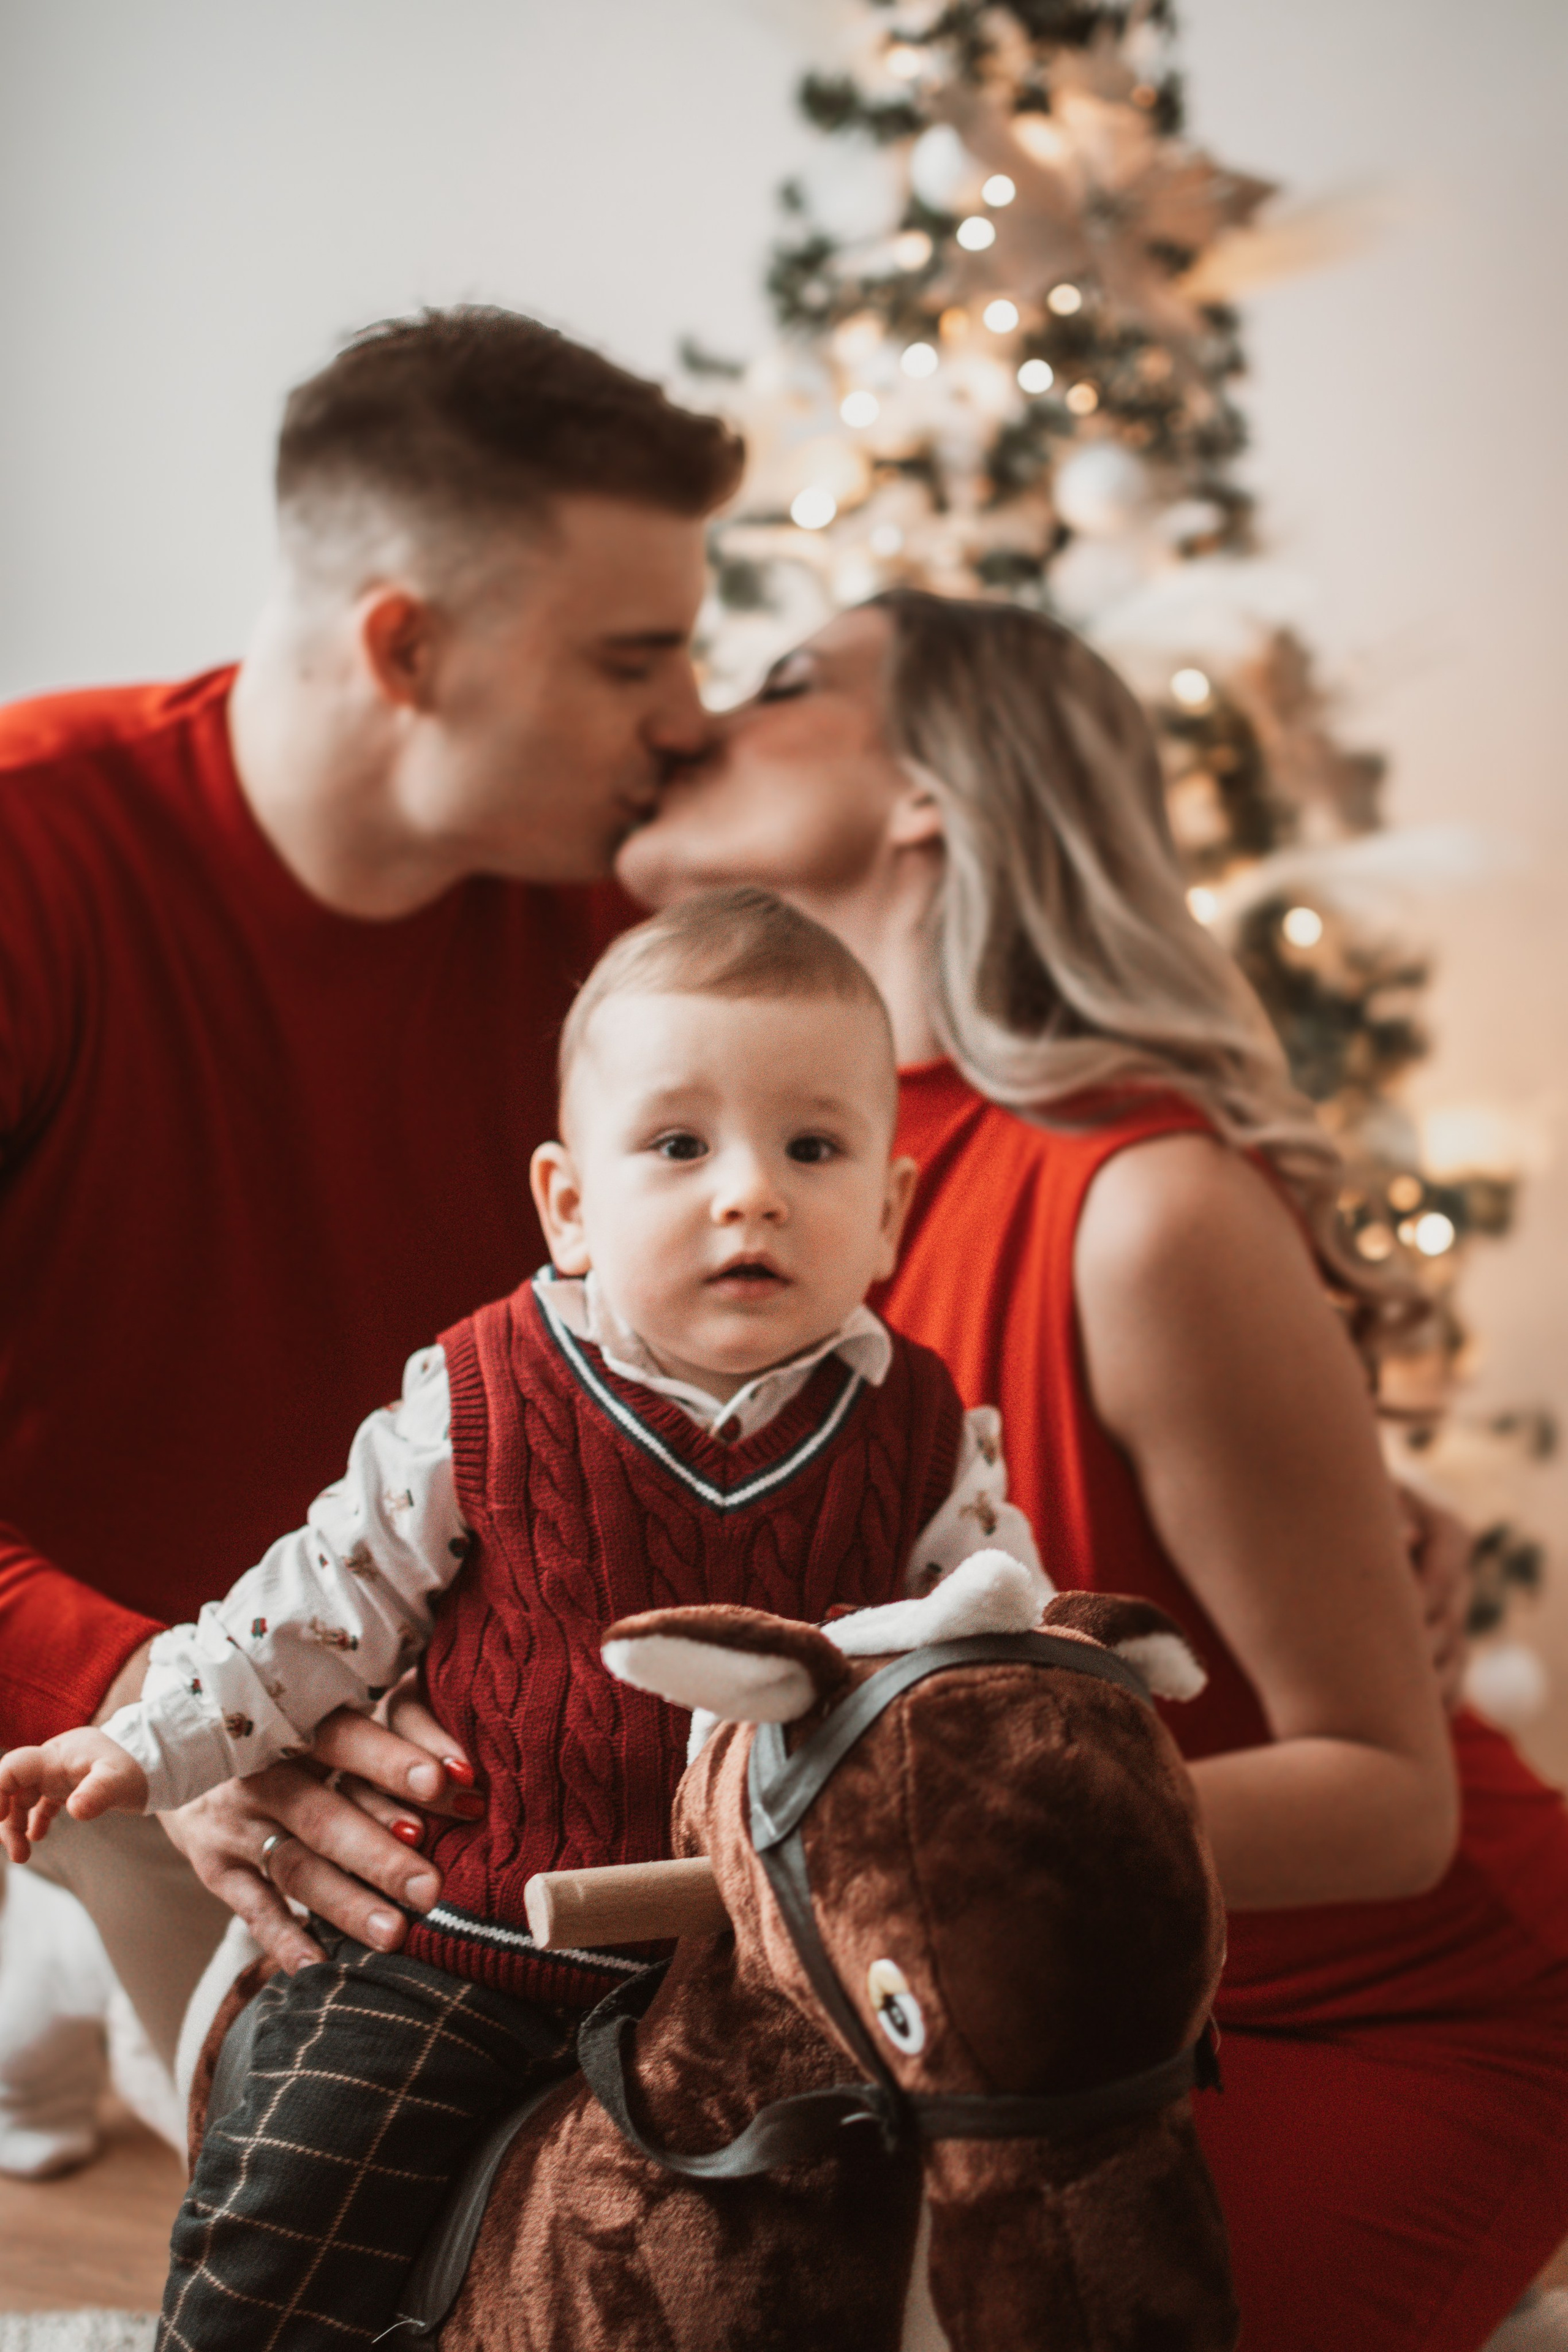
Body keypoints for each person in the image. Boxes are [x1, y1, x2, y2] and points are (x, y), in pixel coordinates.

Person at [615, 591, 1568, 2352]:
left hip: (1359, 2003)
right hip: (991, 2015)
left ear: (928, 790)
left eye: (781, 685)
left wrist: (884, 1838)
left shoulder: (1140, 1210)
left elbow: (1392, 1797)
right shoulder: (730, 1210)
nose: (692, 721)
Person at [1, 889, 1038, 2346]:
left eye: (812, 1147)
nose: (750, 1192)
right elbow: (313, 1609)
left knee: (873, 2226)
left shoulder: (926, 1438)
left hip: (761, 1961)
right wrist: (145, 1737)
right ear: (568, 1203)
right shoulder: (482, 1394)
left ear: (888, 1208)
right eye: (678, 1147)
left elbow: (988, 1658)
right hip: (459, 1936)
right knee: (296, 2186)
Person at [0, 306, 744, 2113]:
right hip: (108, 1692)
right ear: (405, 647)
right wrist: (177, 1716)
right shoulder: (34, 857)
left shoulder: (615, 925)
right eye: (635, 660)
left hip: (442, 1711)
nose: (693, 722)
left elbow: (921, 1212)